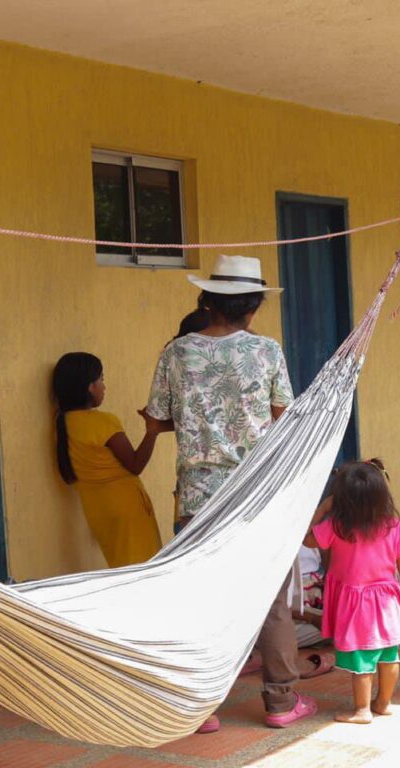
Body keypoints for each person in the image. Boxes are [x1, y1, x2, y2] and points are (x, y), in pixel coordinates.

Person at [144, 254, 314, 730]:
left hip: (199, 497)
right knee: (271, 601)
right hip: (256, 496)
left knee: (201, 598)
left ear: (207, 301)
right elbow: (284, 418)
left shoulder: (176, 352)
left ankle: (202, 709)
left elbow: (158, 418)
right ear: (253, 307)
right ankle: (281, 703)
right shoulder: (266, 352)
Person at [304, 462, 400, 724]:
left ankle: (362, 710)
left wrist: (324, 508)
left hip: (356, 604)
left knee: (362, 657)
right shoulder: (392, 524)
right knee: (389, 655)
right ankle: (383, 703)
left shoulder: (337, 526)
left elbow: (307, 538)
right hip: (388, 599)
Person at [51, 352, 162, 568]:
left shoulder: (62, 424)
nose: (104, 386)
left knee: (121, 567)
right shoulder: (104, 422)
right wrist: (152, 431)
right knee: (142, 570)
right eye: (101, 379)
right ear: (89, 387)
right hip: (126, 507)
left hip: (98, 509)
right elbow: (135, 464)